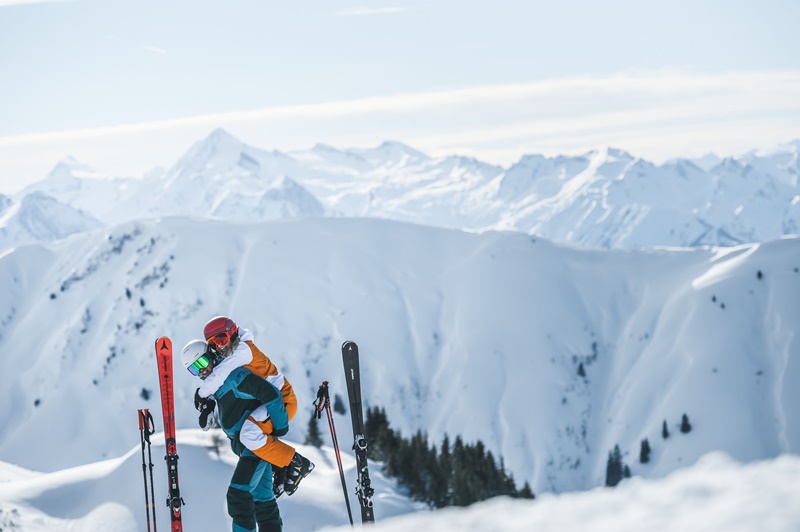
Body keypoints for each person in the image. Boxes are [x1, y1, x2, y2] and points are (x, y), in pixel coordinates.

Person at [180, 319, 313, 532]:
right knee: (262, 498)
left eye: (202, 363)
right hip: (254, 444)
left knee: (238, 496)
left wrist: (280, 426)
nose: (202, 371)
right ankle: (283, 465)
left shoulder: (237, 365)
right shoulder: (222, 378)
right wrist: (207, 405)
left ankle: (294, 462)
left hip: (277, 410)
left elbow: (268, 393)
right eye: (195, 370)